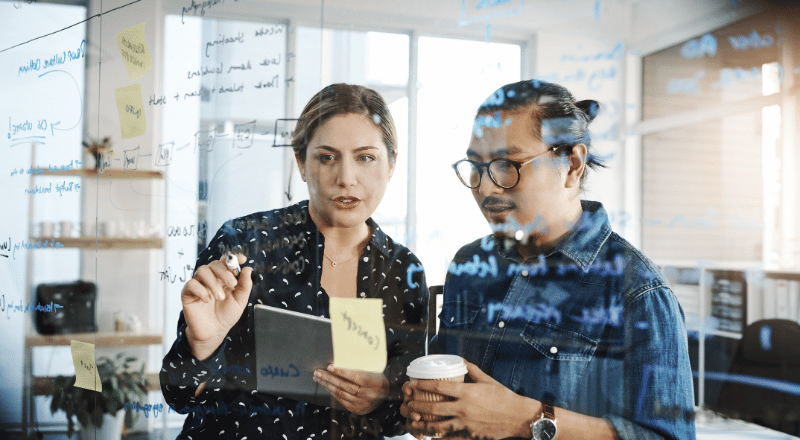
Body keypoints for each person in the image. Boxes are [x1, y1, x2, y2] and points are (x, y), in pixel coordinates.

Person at [400, 79, 695, 440]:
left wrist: (526, 419)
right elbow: (449, 387)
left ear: (572, 163)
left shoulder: (637, 290)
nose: (486, 188)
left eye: (507, 163)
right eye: (476, 166)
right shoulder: (470, 262)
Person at [161, 83, 430, 440]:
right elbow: (177, 394)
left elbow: (403, 417)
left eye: (365, 157)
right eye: (327, 157)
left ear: (392, 164)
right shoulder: (243, 245)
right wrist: (202, 344)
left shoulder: (403, 270)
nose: (346, 178)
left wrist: (380, 398)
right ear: (301, 163)